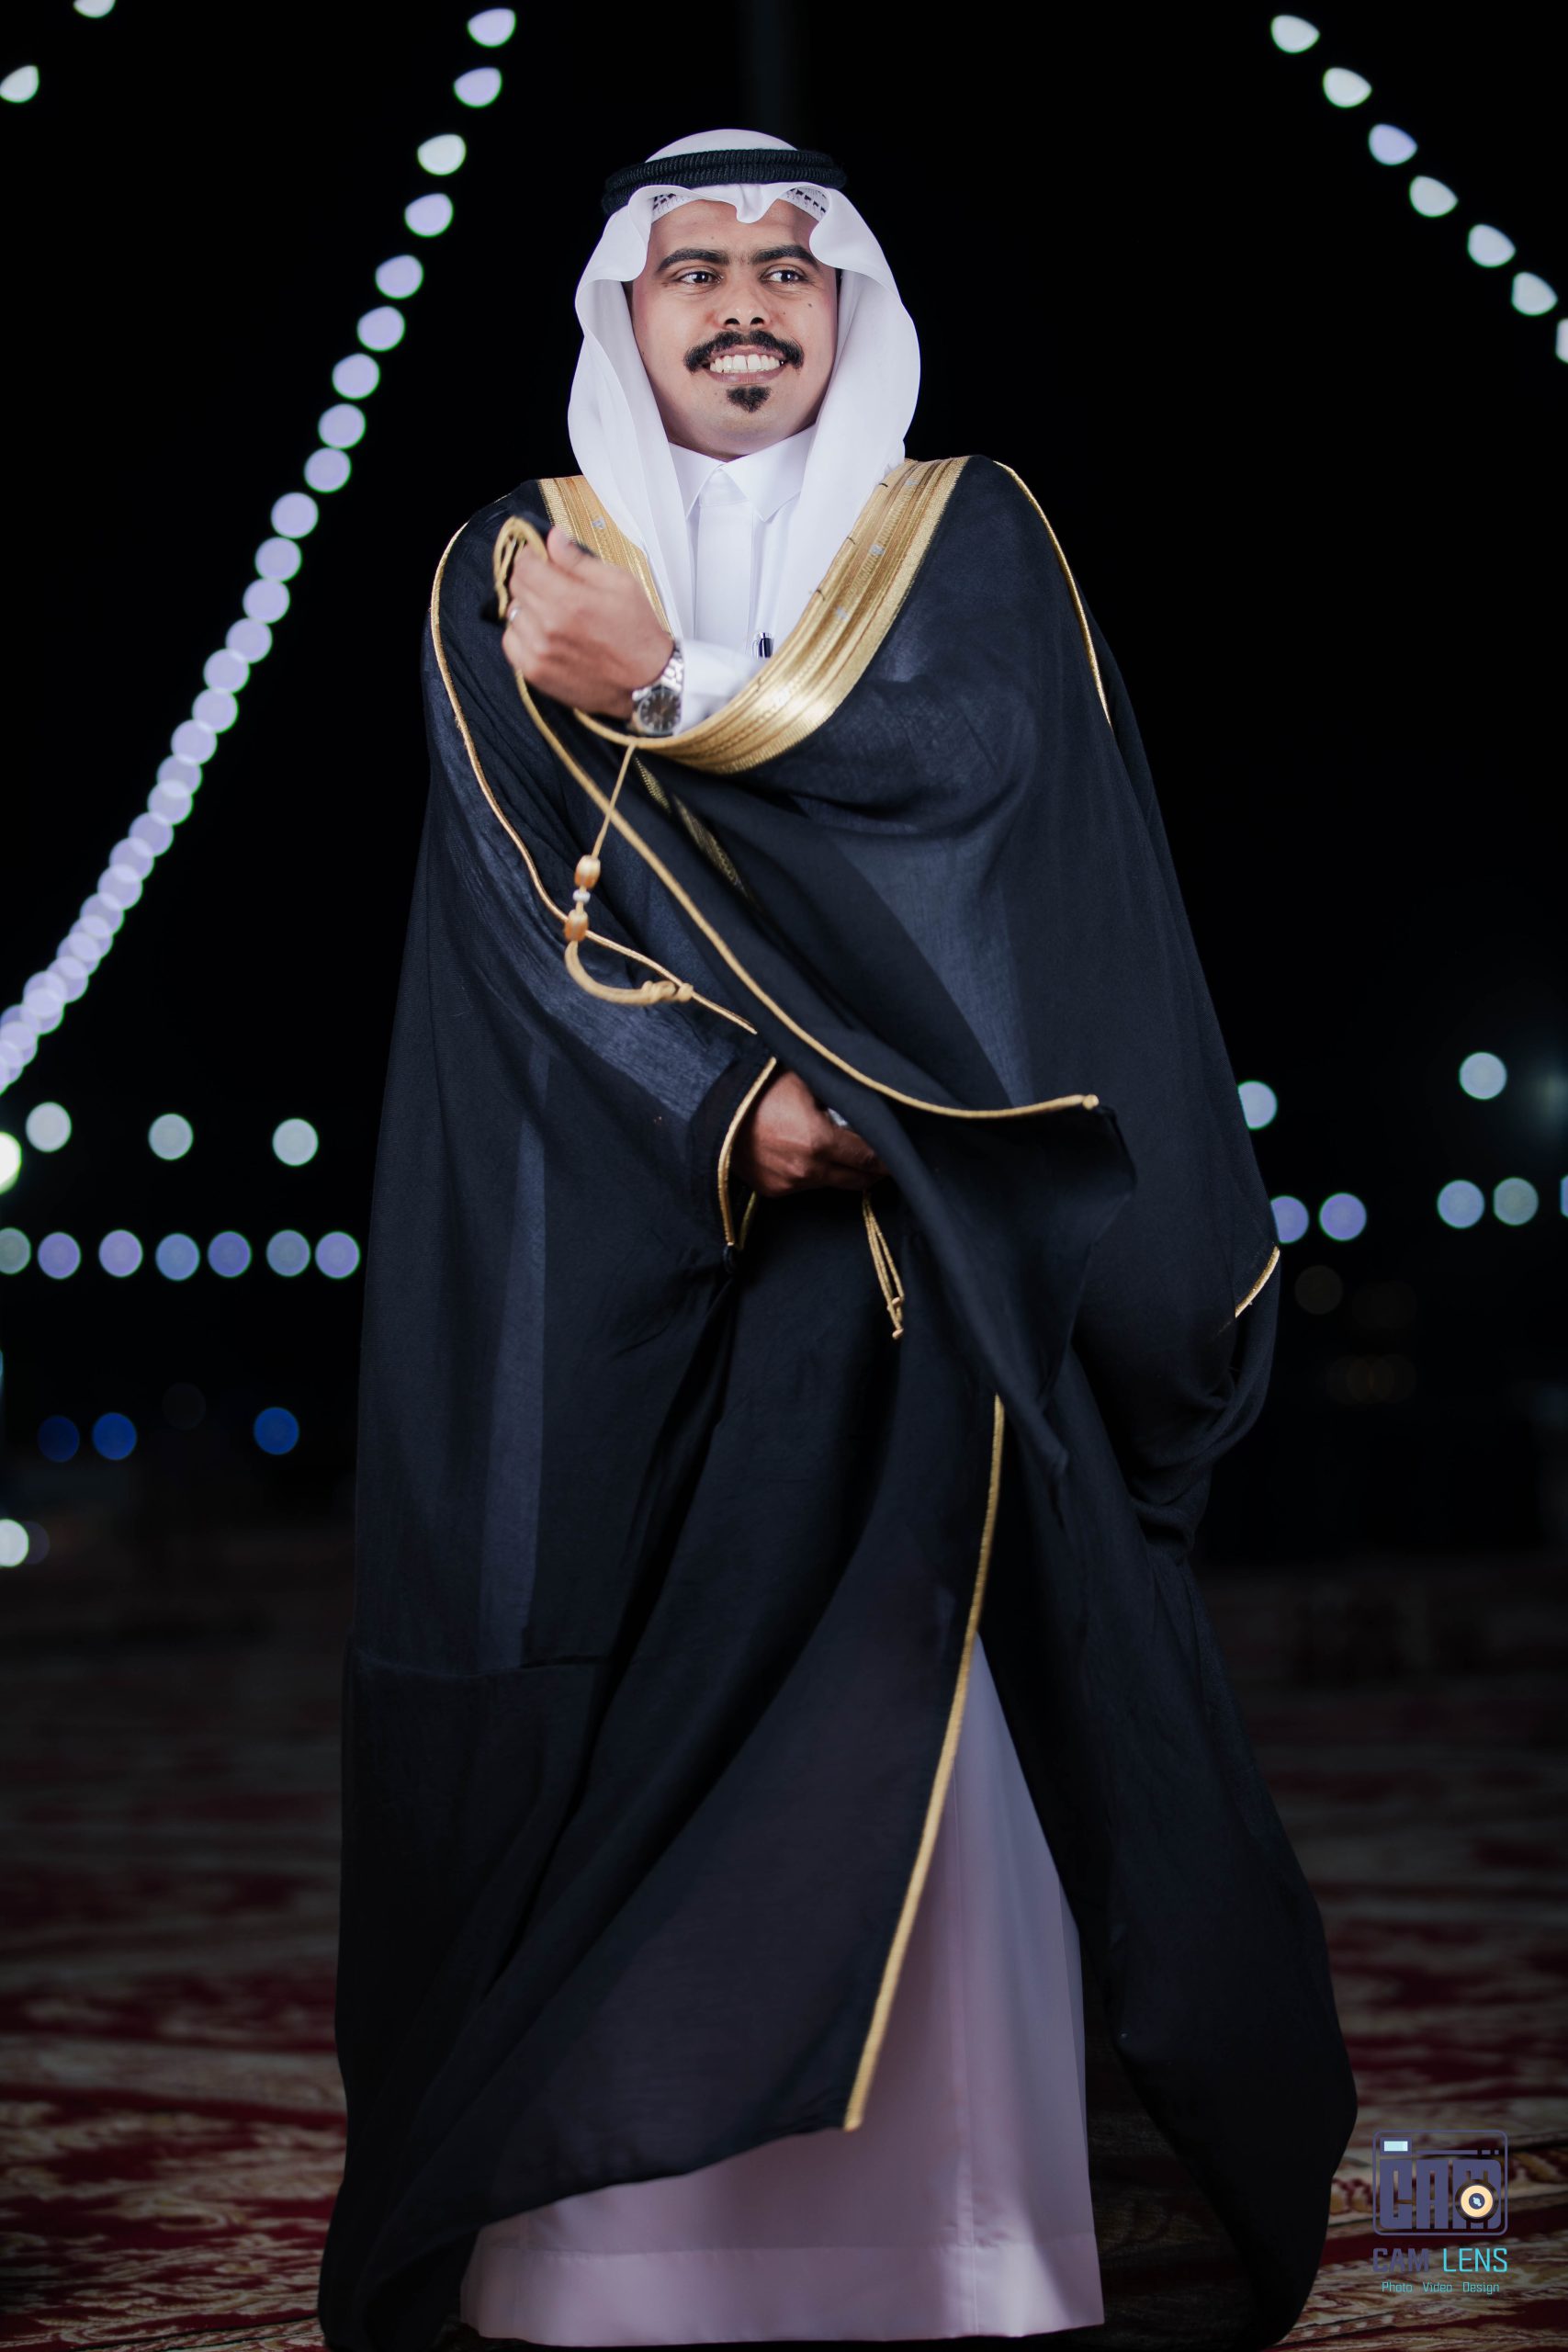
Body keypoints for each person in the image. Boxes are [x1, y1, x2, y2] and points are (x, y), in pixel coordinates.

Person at [318, 130, 1358, 2352]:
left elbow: (976, 792)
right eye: (689, 267)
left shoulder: (967, 533)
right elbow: (517, 925)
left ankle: (962, 2256)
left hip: (946, 1294)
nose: (739, 302)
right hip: (665, 1299)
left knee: (936, 1753)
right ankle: (614, 2273)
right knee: (640, 1758)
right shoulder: (515, 560)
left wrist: (668, 693)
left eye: (786, 269)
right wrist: (726, 1108)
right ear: (621, 313)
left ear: (850, 309)